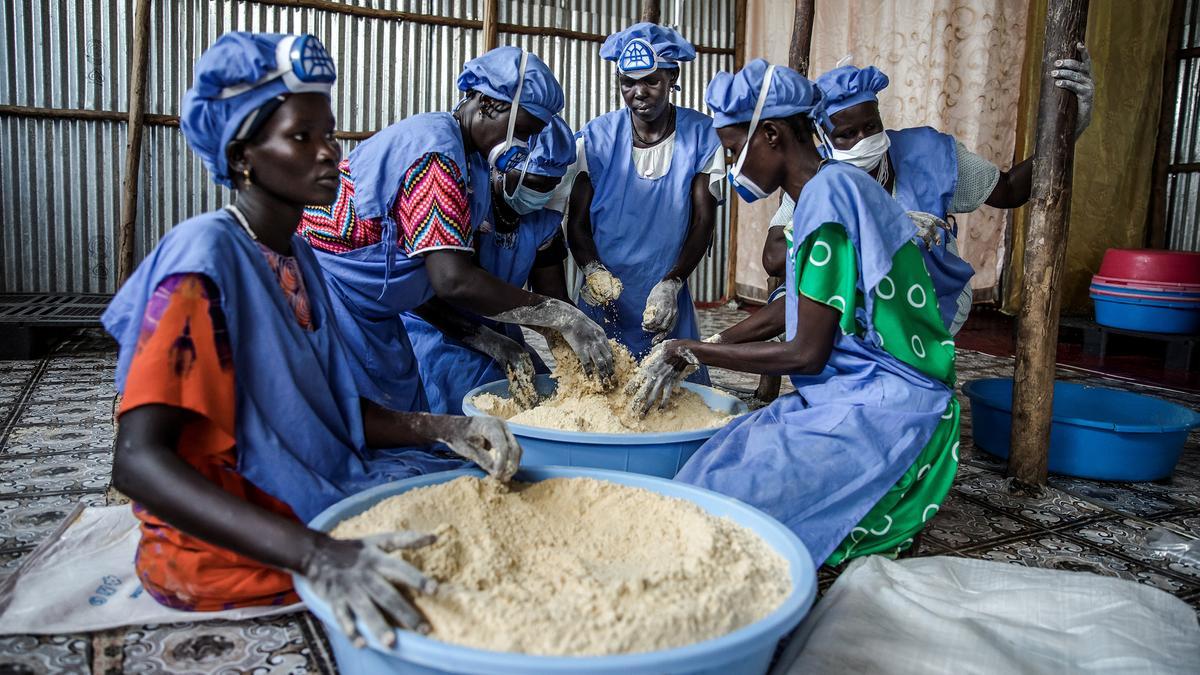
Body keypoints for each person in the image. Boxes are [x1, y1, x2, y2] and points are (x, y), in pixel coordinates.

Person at [104, 33, 521, 648]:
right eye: (301, 138)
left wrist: (444, 428)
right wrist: (319, 554)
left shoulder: (297, 253)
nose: (330, 154)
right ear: (242, 154)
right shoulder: (203, 260)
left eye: (330, 134)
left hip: (302, 487)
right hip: (224, 541)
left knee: (487, 500)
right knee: (443, 582)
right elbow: (137, 461)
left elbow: (325, 412)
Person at [629, 59, 960, 567]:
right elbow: (796, 310)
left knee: (738, 512)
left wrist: (690, 349)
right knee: (723, 454)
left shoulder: (827, 199)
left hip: (891, 404)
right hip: (853, 389)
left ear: (771, 134)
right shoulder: (829, 189)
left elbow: (807, 352)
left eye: (734, 150)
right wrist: (704, 349)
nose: (731, 165)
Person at [297, 46, 613, 415]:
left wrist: (507, 338)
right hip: (338, 297)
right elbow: (452, 280)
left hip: (378, 305)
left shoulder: (472, 164)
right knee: (355, 421)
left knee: (394, 409)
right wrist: (563, 317)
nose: (526, 146)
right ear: (490, 104)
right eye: (524, 133)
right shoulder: (437, 153)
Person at [760, 50, 1095, 334]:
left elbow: (1008, 191)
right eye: (847, 134)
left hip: (930, 293)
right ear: (826, 138)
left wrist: (1069, 127)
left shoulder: (928, 153)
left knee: (889, 348)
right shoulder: (817, 176)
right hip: (848, 295)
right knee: (807, 319)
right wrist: (880, 228)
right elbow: (774, 258)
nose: (863, 139)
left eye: (871, 126)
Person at [566, 22, 723, 383]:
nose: (639, 92)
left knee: (674, 393)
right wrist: (592, 270)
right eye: (628, 82)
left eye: (651, 81)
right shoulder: (597, 137)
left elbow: (702, 222)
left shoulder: (701, 135)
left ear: (672, 77)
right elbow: (577, 222)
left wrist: (673, 282)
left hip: (666, 290)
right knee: (597, 395)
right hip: (604, 295)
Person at [401, 115, 576, 414]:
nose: (541, 193)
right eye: (533, 181)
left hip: (499, 327)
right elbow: (424, 292)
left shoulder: (542, 221)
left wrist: (577, 341)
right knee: (468, 411)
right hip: (438, 328)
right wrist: (489, 341)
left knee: (541, 395)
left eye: (552, 183)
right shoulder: (462, 201)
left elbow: (554, 300)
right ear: (501, 165)